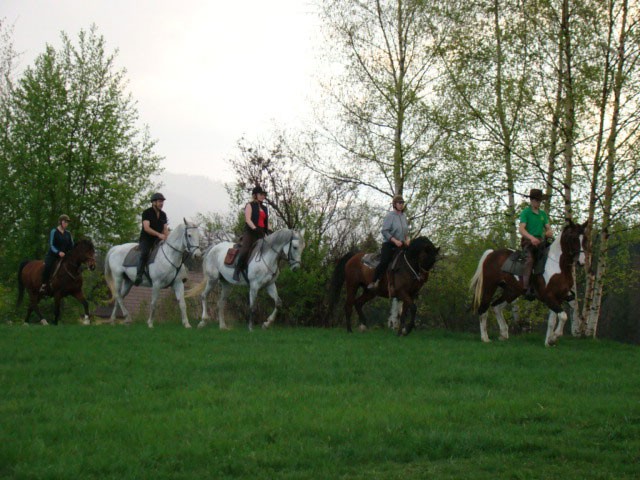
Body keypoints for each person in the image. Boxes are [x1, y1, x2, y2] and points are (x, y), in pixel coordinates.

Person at [367, 195, 410, 290]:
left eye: (402, 203)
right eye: (399, 203)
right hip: (389, 244)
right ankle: (374, 281)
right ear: (394, 204)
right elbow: (384, 231)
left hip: (401, 244)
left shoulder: (404, 216)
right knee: (385, 261)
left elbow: (406, 232)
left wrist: (407, 239)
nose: (401, 205)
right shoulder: (390, 216)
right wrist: (395, 241)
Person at [519, 188, 553, 298]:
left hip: (541, 242)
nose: (538, 203)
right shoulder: (526, 212)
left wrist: (549, 232)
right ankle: (526, 287)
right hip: (528, 242)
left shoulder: (543, 214)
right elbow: (521, 229)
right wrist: (531, 238)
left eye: (539, 201)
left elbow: (548, 228)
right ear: (531, 200)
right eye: (536, 200)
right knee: (529, 260)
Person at [233, 185, 269, 282]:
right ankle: (237, 270)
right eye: (261, 194)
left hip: (261, 232)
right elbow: (248, 219)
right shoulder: (249, 205)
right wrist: (255, 228)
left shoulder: (265, 208)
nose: (263, 196)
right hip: (250, 232)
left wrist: (269, 230)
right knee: (245, 250)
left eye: (264, 194)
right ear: (255, 195)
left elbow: (266, 221)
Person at [134, 192, 169, 286]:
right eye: (160, 201)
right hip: (146, 239)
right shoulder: (146, 213)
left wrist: (167, 239)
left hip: (158, 240)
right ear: (153, 202)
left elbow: (165, 229)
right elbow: (146, 228)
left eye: (162, 202)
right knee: (145, 253)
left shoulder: (163, 215)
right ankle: (139, 275)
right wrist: (159, 235)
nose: (161, 203)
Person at [40, 214, 74, 293]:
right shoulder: (54, 231)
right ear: (61, 222)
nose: (66, 224)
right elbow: (51, 245)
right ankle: (44, 285)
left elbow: (71, 245)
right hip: (53, 255)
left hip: (64, 256)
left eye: (67, 222)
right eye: (65, 222)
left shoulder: (68, 233)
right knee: (47, 266)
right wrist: (58, 252)